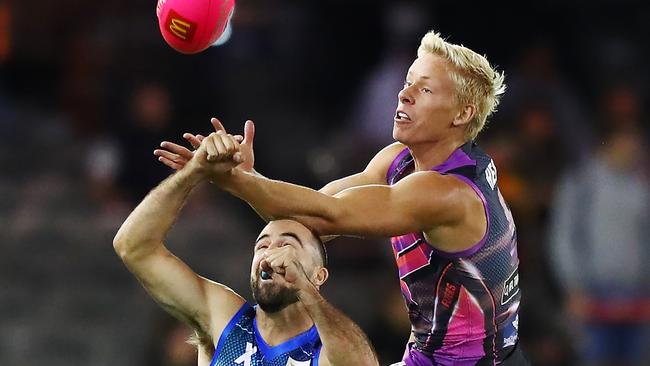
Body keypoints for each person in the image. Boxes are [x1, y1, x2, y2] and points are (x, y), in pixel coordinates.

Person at [157, 30, 528, 365]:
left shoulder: (446, 192)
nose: (404, 94)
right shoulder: (399, 160)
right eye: (408, 82)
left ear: (463, 114)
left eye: (425, 90)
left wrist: (232, 179)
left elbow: (330, 215)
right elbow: (308, 217)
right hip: (431, 357)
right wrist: (249, 178)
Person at [113, 142, 379, 366]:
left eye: (288, 244)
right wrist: (194, 173)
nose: (271, 253)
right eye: (262, 245)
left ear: (319, 275)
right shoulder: (223, 317)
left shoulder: (325, 348)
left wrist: (305, 290)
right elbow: (133, 246)